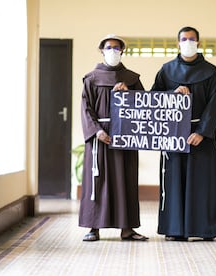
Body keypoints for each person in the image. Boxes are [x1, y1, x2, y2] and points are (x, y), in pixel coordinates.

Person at [151, 26, 216, 241]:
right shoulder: (166, 70)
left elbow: (214, 105)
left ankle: (208, 230)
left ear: (199, 43)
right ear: (177, 43)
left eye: (192, 39)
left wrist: (202, 132)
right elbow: (153, 99)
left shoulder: (211, 71)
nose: (188, 42)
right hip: (173, 136)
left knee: (204, 183)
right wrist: (171, 94)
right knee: (174, 183)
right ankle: (175, 230)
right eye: (184, 39)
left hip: (201, 137)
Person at [79, 34, 148, 242]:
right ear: (102, 50)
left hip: (125, 136)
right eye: (109, 47)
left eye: (117, 48)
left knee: (125, 180)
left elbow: (144, 106)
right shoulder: (91, 78)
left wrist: (128, 94)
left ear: (122, 51)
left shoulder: (132, 78)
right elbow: (86, 108)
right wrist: (97, 131)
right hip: (100, 137)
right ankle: (93, 227)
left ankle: (127, 229)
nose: (113, 51)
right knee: (97, 181)